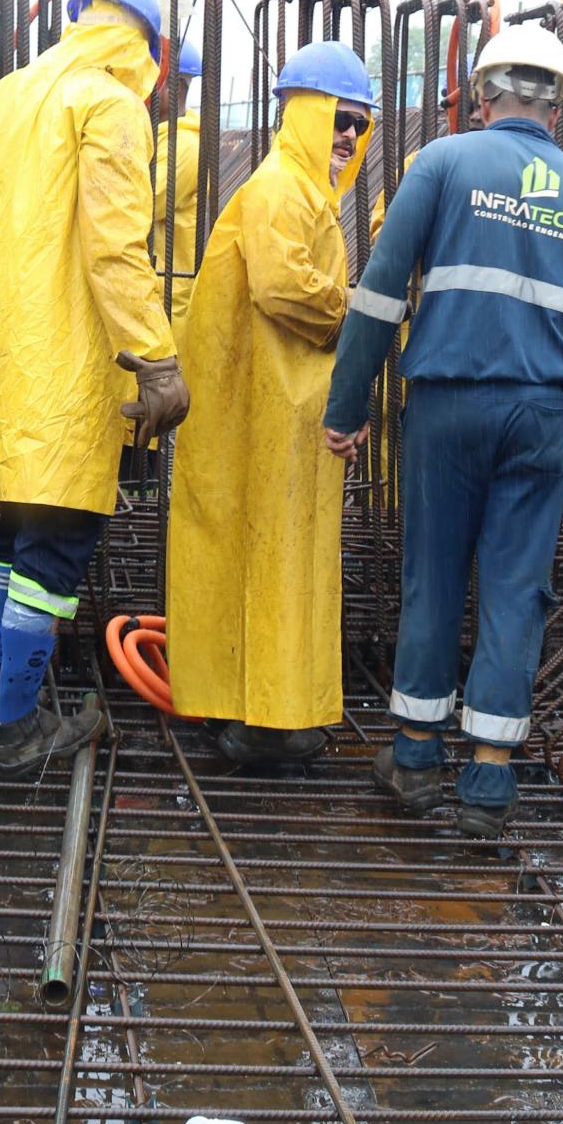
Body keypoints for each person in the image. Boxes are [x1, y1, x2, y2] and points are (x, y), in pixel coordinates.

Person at [321, 26, 563, 840]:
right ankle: (490, 780)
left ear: (483, 90)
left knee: (432, 573)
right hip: (538, 420)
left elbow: (379, 295)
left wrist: (345, 409)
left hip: (446, 407)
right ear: (559, 106)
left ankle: (416, 757)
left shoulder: (444, 164)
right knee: (512, 588)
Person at [0, 0, 190, 778]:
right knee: (61, 542)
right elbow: (115, 246)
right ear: (146, 45)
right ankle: (17, 729)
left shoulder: (13, 92)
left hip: (6, 361)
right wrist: (157, 358)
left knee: (16, 525)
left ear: (82, 21)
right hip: (70, 365)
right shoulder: (108, 105)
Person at [166, 40, 376, 767]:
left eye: (359, 124)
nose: (348, 137)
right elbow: (284, 289)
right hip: (266, 415)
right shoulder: (282, 188)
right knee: (278, 563)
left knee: (255, 556)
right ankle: (270, 720)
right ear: (304, 115)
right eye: (338, 120)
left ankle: (250, 705)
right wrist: (362, 310)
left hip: (270, 409)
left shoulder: (302, 192)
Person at [154, 36, 203, 323]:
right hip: (154, 293)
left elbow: (136, 207)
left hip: (167, 302)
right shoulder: (162, 137)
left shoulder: (183, 147)